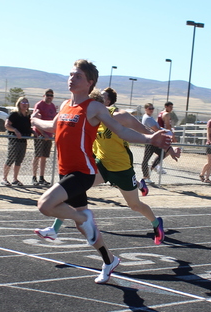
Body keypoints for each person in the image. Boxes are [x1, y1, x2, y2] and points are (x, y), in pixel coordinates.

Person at [31, 60, 169, 284]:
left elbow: (122, 130)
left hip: (83, 172)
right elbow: (52, 127)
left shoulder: (94, 108)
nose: (71, 79)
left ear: (89, 82)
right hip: (66, 172)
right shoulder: (65, 105)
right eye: (70, 75)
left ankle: (82, 217)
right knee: (84, 228)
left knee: (45, 205)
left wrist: (148, 138)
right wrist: (34, 118)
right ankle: (109, 260)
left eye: (77, 76)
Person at [35, 87, 165, 245]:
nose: (93, 101)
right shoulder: (91, 116)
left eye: (100, 99)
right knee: (74, 190)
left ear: (107, 102)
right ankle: (54, 229)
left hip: (121, 168)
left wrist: (166, 145)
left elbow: (142, 131)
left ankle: (156, 223)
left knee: (135, 205)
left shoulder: (119, 116)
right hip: (101, 165)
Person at [2, 96, 31, 186]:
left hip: (23, 141)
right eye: (23, 102)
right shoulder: (14, 114)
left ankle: (15, 179)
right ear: (18, 104)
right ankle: (4, 178)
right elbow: (7, 125)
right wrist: (15, 130)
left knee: (19, 160)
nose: (25, 104)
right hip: (14, 140)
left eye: (26, 102)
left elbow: (28, 127)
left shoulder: (27, 116)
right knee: (10, 159)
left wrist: (33, 131)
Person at [31, 89, 56, 186]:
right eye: (48, 95)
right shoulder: (39, 105)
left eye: (51, 95)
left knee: (44, 157)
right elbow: (35, 121)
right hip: (39, 135)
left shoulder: (53, 106)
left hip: (48, 136)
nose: (49, 97)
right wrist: (42, 133)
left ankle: (41, 177)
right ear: (44, 95)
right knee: (37, 155)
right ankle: (34, 177)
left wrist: (52, 133)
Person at [139, 102, 162, 193]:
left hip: (153, 141)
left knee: (162, 153)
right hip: (149, 141)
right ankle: (146, 176)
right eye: (150, 108)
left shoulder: (150, 118)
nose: (151, 110)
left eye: (152, 108)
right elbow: (156, 129)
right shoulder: (147, 118)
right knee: (146, 159)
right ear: (145, 109)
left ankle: (152, 168)